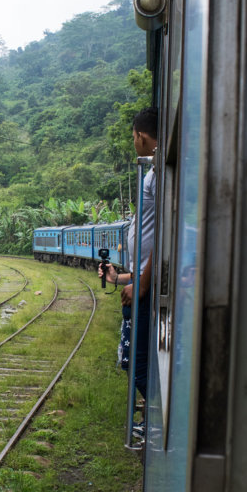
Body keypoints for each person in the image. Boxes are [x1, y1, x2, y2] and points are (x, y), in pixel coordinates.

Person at [99, 107, 158, 416]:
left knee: (140, 364)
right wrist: (118, 278)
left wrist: (140, 286)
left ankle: (161, 427)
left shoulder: (158, 174)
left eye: (133, 137)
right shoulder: (153, 172)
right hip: (143, 280)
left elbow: (164, 238)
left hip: (149, 287)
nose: (133, 142)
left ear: (141, 136)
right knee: (134, 361)